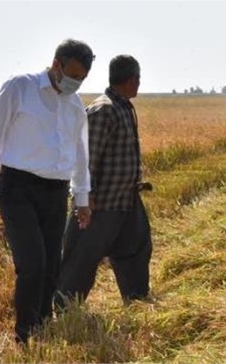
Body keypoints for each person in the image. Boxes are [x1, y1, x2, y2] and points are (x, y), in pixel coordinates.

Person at [0, 39, 94, 343]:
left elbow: (80, 153)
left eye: (82, 78)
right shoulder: (20, 88)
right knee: (33, 264)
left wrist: (82, 198)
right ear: (56, 64)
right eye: (72, 74)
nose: (75, 82)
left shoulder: (75, 105)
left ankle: (43, 326)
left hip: (56, 192)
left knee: (52, 265)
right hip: (18, 188)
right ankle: (24, 335)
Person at [55, 55, 153, 309]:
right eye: (138, 79)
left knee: (137, 248)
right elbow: (85, 157)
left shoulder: (122, 107)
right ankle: (64, 310)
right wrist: (85, 198)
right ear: (133, 80)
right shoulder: (104, 109)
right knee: (81, 260)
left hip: (126, 201)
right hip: (101, 205)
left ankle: (137, 301)